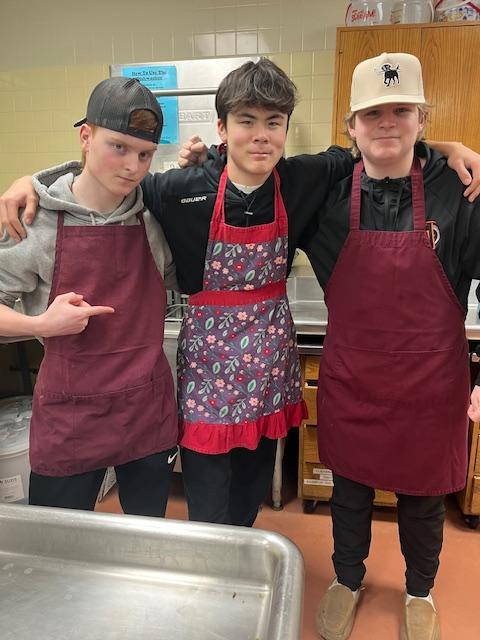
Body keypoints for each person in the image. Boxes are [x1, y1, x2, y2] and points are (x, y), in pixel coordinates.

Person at [1, 59, 479, 529]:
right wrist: (33, 183)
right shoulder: (175, 189)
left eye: (273, 122)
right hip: (206, 378)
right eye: (246, 121)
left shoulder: (302, 179)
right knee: (200, 511)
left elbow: (377, 147)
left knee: (243, 501)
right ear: (222, 128)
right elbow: (100, 184)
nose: (260, 135)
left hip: (266, 372)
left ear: (286, 128)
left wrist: (447, 147)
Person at [300, 53, 480, 640]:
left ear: (422, 119)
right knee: (348, 492)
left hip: (432, 386)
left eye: (401, 110)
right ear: (351, 126)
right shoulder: (326, 194)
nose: (387, 123)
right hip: (354, 381)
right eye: (372, 113)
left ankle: (420, 591)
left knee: (423, 502)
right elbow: (251, 177)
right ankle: (346, 580)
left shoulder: (461, 189)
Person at [0, 76, 179, 515]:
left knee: (146, 536)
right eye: (118, 147)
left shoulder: (153, 217)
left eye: (144, 154)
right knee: (61, 542)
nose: (133, 166)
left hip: (145, 409)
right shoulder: (34, 220)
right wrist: (41, 324)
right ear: (86, 137)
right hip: (71, 417)